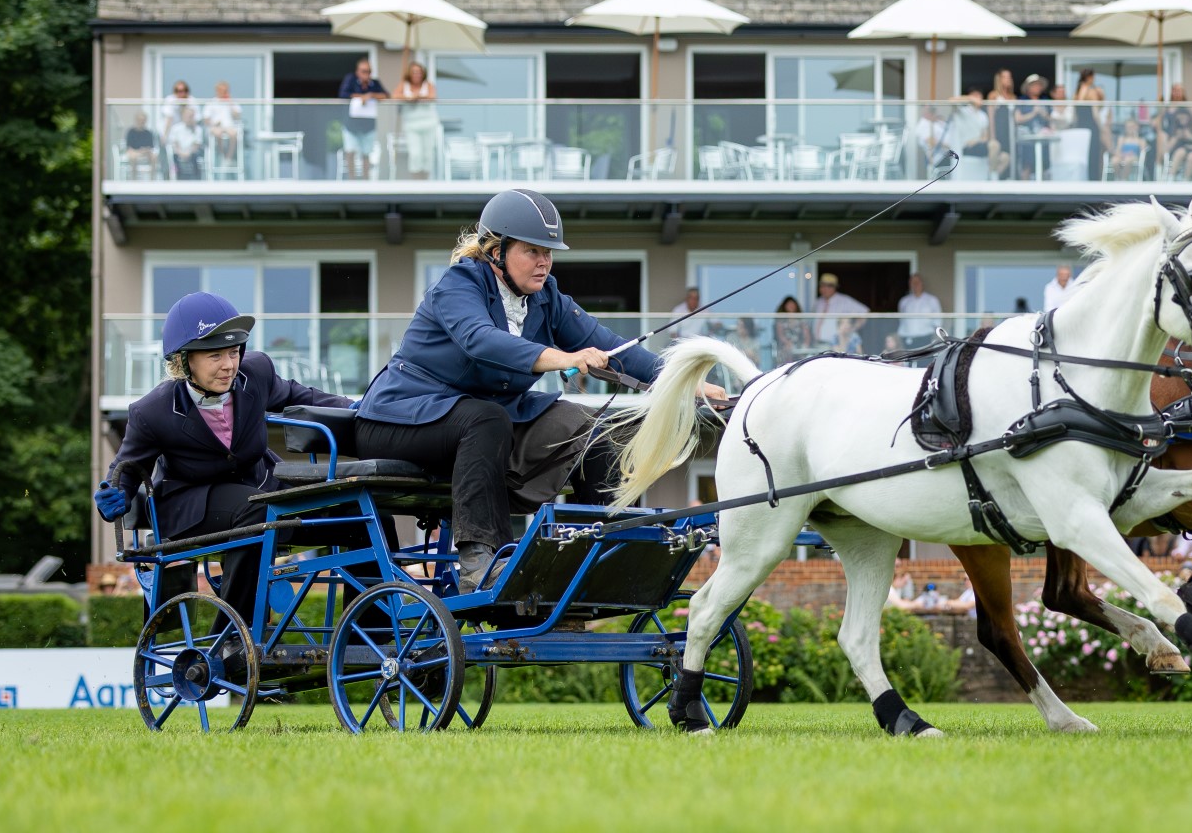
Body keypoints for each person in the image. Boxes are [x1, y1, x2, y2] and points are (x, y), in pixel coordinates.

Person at [353, 189, 726, 591]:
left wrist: (687, 383)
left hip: (482, 422)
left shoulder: (546, 297)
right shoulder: (458, 285)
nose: (544, 262)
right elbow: (480, 340)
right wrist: (563, 357)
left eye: (548, 252)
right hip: (398, 420)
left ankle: (604, 555)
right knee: (485, 418)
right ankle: (480, 563)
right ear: (496, 250)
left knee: (597, 428)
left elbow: (614, 349)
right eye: (532, 251)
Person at [94, 292, 352, 627]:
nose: (229, 365)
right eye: (215, 355)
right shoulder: (151, 411)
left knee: (357, 504)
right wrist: (113, 495)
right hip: (192, 504)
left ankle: (372, 634)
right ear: (183, 361)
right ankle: (232, 637)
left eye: (233, 352)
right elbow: (125, 471)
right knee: (259, 508)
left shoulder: (255, 372)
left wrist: (357, 408)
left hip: (260, 487)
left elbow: (302, 396)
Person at [337, 58, 388, 180]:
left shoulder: (374, 83)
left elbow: (385, 95)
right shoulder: (351, 80)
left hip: (368, 126)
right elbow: (343, 94)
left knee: (366, 153)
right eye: (364, 71)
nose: (366, 74)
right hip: (351, 125)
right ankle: (352, 180)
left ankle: (366, 179)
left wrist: (370, 95)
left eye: (369, 71)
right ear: (358, 71)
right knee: (350, 151)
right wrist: (361, 97)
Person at [394, 60, 439, 179]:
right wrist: (408, 97)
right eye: (414, 72)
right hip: (411, 125)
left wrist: (419, 96)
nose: (417, 74)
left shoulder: (428, 85)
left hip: (428, 124)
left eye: (419, 72)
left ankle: (425, 182)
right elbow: (394, 96)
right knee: (415, 154)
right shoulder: (404, 85)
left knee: (427, 155)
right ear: (409, 73)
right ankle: (417, 182)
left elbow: (432, 96)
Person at [1072, 68, 1109, 180]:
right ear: (1089, 77)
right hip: (1091, 127)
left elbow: (1075, 114)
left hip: (1080, 127)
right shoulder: (1092, 91)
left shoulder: (1077, 93)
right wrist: (1102, 129)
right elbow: (1096, 113)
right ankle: (1093, 179)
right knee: (1093, 155)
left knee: (1082, 155)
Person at [1162, 92, 1192, 180]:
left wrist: (1191, 137)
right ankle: (1171, 178)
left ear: (1189, 116)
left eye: (1184, 117)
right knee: (1180, 152)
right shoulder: (1176, 128)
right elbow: (1166, 150)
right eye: (1179, 118)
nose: (1181, 119)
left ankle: (1186, 180)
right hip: (1181, 151)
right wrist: (1176, 137)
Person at [812, 273, 868, 343]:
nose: (824, 288)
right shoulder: (818, 302)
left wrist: (852, 329)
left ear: (835, 287)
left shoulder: (844, 300)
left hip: (836, 343)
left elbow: (865, 312)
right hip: (817, 342)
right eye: (822, 285)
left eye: (829, 286)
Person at [896, 273, 942, 349]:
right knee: (909, 360)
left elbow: (938, 319)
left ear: (922, 283)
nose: (915, 285)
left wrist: (936, 336)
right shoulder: (904, 301)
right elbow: (901, 319)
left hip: (925, 336)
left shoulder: (932, 300)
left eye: (917, 282)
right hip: (907, 337)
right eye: (913, 282)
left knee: (924, 360)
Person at [203, 81, 243, 162]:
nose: (224, 92)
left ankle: (229, 157)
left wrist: (230, 103)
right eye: (222, 90)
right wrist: (213, 123)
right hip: (216, 127)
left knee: (233, 134)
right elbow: (206, 119)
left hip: (229, 126)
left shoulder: (232, 102)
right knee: (218, 133)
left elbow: (237, 115)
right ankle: (222, 154)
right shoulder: (211, 103)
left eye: (226, 90)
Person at [167, 105, 207, 180]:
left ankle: (196, 180)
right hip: (178, 153)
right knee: (173, 158)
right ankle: (178, 179)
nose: (190, 118)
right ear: (183, 116)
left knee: (197, 156)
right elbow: (175, 143)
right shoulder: (176, 128)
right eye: (188, 116)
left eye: (192, 116)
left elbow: (197, 144)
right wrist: (180, 152)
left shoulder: (198, 129)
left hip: (192, 153)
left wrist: (189, 152)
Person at [774, 295, 812, 364]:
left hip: (799, 349)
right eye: (789, 304)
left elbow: (807, 334)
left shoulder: (801, 320)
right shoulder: (781, 321)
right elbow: (780, 335)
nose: (791, 306)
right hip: (785, 349)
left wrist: (805, 346)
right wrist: (787, 343)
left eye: (793, 304)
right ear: (784, 306)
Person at [123, 111, 158, 179]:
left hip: (146, 153)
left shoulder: (148, 133)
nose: (141, 122)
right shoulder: (131, 132)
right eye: (140, 120)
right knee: (133, 156)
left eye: (143, 120)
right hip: (134, 152)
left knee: (154, 156)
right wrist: (139, 151)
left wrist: (145, 151)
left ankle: (152, 178)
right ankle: (134, 178)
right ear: (136, 120)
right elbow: (129, 147)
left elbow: (150, 147)